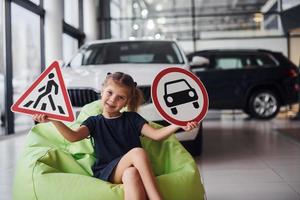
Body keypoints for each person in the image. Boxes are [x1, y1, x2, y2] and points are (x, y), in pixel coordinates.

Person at [33, 72, 199, 200]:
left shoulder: (132, 118)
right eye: (109, 93)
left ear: (127, 102)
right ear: (102, 92)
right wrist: (53, 119)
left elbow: (156, 135)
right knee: (138, 152)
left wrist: (180, 124)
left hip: (129, 170)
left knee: (132, 174)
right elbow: (73, 137)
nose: (113, 100)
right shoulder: (94, 121)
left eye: (120, 97)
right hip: (108, 171)